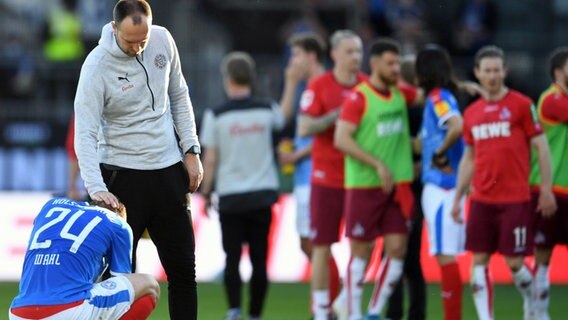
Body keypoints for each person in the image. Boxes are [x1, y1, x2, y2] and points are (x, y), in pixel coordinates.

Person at [73, 1, 203, 319]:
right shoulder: (96, 66)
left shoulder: (162, 39)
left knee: (184, 270)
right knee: (117, 281)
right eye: (130, 40)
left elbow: (179, 95)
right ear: (114, 28)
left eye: (142, 39)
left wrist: (192, 150)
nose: (137, 46)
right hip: (121, 177)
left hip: (167, 170)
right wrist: (96, 187)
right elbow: (85, 132)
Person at [450, 45, 557, 320]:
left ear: (505, 71)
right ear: (477, 73)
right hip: (482, 199)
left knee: (515, 263)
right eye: (487, 71)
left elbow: (542, 148)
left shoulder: (522, 105)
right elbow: (469, 159)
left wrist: (545, 189)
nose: (492, 76)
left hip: (515, 199)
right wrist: (457, 197)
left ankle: (533, 303)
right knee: (479, 261)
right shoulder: (472, 114)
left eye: (497, 70)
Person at [334, 38, 419, 320]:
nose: (396, 68)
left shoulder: (400, 93)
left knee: (397, 248)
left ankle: (373, 311)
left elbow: (427, 95)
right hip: (364, 185)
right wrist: (377, 164)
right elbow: (341, 139)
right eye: (390, 63)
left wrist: (460, 87)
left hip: (397, 186)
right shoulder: (359, 98)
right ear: (374, 64)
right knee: (361, 251)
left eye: (398, 63)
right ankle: (354, 313)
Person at [199, 52, 285, 320]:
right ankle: (256, 313)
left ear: (228, 79)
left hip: (231, 196)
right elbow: (284, 121)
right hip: (262, 194)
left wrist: (206, 192)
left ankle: (234, 309)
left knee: (232, 258)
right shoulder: (267, 109)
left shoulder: (216, 114)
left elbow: (210, 159)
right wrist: (292, 83)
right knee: (260, 260)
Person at [298, 29, 367, 320]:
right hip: (326, 178)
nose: (355, 58)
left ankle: (349, 305)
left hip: (360, 178)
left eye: (358, 52)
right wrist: (336, 116)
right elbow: (304, 127)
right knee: (322, 246)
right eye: (350, 52)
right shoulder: (319, 86)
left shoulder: (368, 86)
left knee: (363, 245)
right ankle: (322, 310)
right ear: (334, 54)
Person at [9, 197, 159, 320]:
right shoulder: (118, 224)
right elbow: (121, 279)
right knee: (149, 285)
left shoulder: (51, 205)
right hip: (69, 310)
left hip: (18, 312)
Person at [277, 32, 327, 311]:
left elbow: (330, 133)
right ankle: (328, 295)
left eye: (296, 55)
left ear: (311, 56)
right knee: (308, 242)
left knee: (315, 242)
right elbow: (282, 120)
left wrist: (297, 153)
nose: (292, 61)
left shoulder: (323, 86)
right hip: (303, 175)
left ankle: (328, 297)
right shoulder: (307, 87)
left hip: (317, 175)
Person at [415, 45, 466, 320]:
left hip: (442, 187)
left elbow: (456, 125)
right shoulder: (448, 95)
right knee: (449, 258)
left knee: (445, 257)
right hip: (452, 187)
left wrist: (438, 153)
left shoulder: (438, 98)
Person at [385, 54, 427, 320]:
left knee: (395, 257)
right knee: (410, 260)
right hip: (417, 189)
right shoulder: (424, 110)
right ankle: (415, 314)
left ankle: (394, 312)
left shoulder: (405, 108)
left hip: (403, 188)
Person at [528, 47, 568, 320]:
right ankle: (537, 314)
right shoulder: (550, 100)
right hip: (550, 189)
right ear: (558, 71)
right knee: (542, 255)